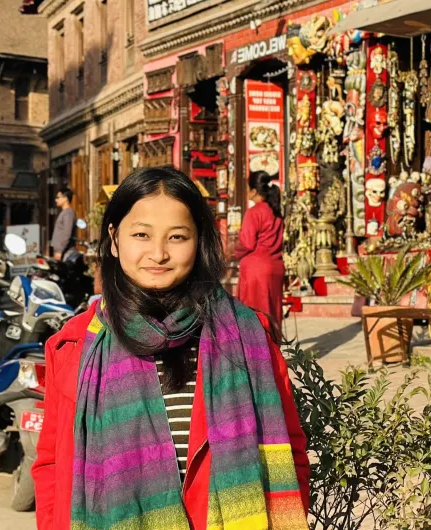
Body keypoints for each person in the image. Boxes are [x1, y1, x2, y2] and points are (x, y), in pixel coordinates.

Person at [32, 167, 309, 530]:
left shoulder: (247, 337)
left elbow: (290, 452)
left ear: (199, 241)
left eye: (177, 237)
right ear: (114, 239)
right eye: (141, 235)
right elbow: (52, 466)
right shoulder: (74, 346)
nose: (158, 253)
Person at [234, 171, 286, 325]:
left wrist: (232, 251)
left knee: (254, 315)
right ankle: (273, 347)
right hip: (275, 267)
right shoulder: (276, 213)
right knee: (273, 313)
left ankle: (257, 348)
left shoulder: (253, 212)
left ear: (254, 191)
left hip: (256, 271)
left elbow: (247, 244)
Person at [50, 187, 77, 260]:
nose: (56, 200)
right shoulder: (64, 213)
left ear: (65, 198)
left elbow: (67, 233)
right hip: (62, 253)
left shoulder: (68, 213)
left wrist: (59, 251)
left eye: (58, 197)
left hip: (67, 254)